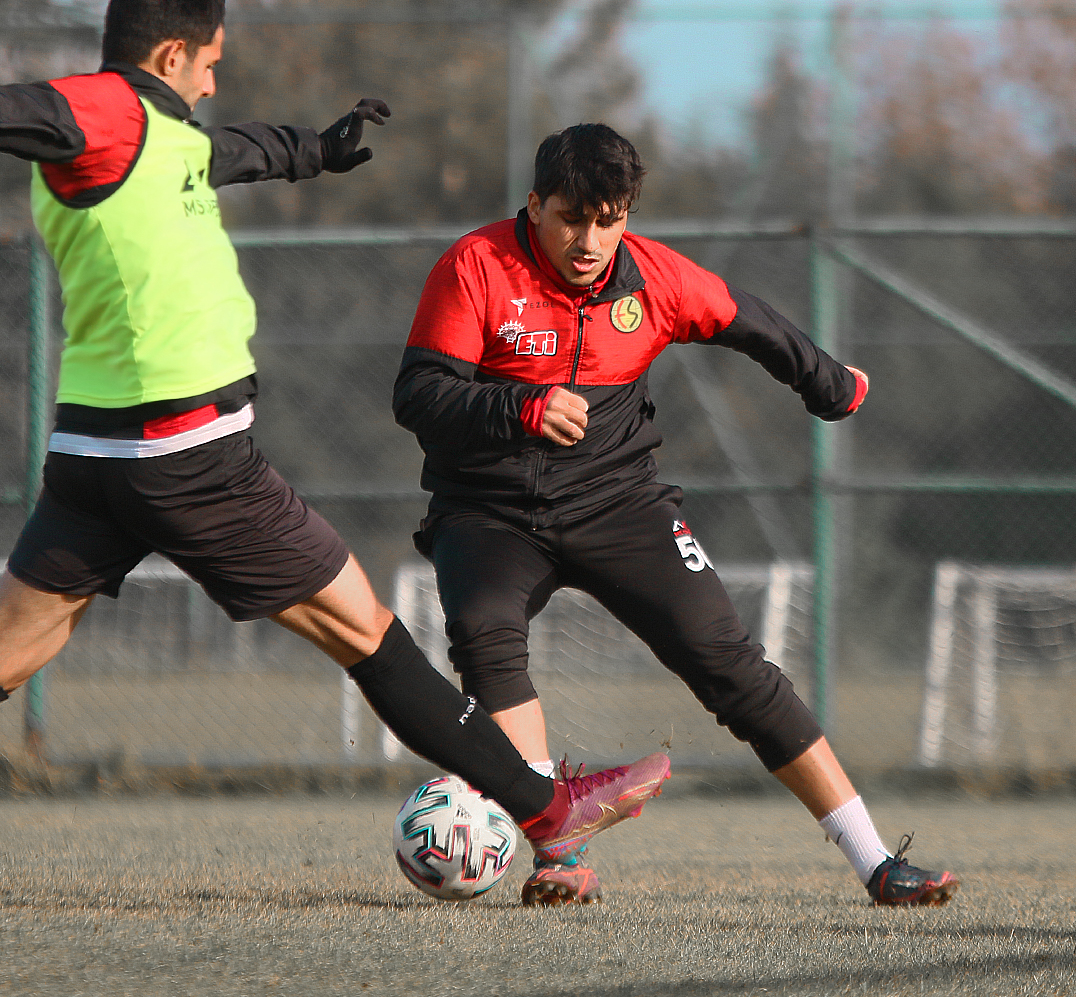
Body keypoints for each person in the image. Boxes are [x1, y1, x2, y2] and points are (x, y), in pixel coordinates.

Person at [0, 0, 665, 912]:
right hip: (192, 457)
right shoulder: (105, 112)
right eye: (208, 61)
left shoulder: (160, 138)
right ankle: (547, 811)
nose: (214, 79)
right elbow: (24, 109)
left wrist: (314, 151)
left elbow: (232, 148)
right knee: (369, 635)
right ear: (170, 53)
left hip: (94, 460)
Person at [393, 123, 960, 907]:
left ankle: (876, 864)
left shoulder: (653, 278)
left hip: (618, 503)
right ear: (533, 205)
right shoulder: (477, 265)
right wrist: (521, 407)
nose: (589, 239)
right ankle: (556, 849)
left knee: (733, 669)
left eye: (609, 218)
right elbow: (419, 395)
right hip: (486, 513)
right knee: (486, 637)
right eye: (570, 218)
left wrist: (829, 384)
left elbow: (748, 319)